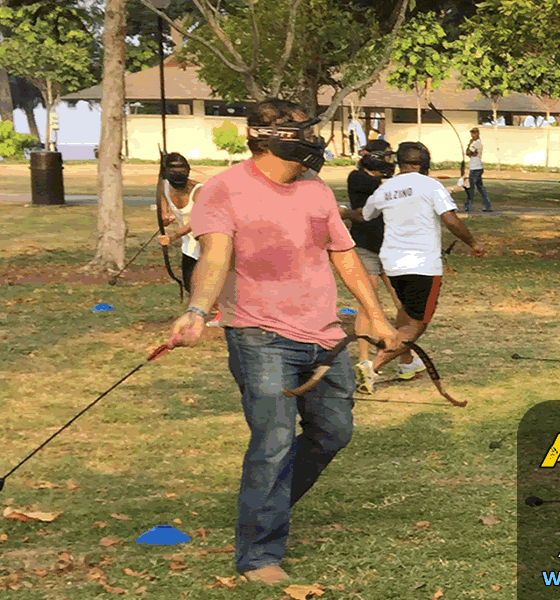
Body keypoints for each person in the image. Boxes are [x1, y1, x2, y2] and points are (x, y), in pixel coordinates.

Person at [167, 98, 402, 584]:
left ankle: (264, 505)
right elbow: (214, 257)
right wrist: (196, 309)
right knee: (273, 441)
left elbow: (344, 255)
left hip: (324, 335)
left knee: (334, 432)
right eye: (306, 131)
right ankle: (258, 554)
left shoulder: (315, 187)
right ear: (272, 136)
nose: (316, 140)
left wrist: (376, 318)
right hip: (260, 335)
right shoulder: (223, 190)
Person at [346, 141, 485, 393]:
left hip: (393, 265)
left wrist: (343, 213)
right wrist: (473, 242)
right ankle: (372, 366)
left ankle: (407, 363)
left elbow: (363, 215)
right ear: (422, 164)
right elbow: (450, 219)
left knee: (406, 314)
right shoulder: (431, 185)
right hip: (423, 265)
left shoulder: (385, 188)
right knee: (417, 325)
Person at [342, 139, 405, 391]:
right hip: (365, 247)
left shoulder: (387, 184)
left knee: (402, 302)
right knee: (367, 302)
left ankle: (405, 356)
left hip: (389, 248)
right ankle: (364, 361)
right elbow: (382, 188)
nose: (389, 163)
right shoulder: (357, 178)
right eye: (385, 158)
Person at [157, 153, 220, 325]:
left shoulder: (199, 190)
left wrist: (174, 236)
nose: (177, 173)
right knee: (189, 283)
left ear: (188, 170)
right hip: (189, 243)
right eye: (173, 169)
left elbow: (197, 221)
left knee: (211, 278)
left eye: (181, 168)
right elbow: (163, 216)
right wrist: (166, 220)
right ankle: (212, 312)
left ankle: (224, 313)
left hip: (208, 239)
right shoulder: (163, 187)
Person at [464, 127, 493, 212]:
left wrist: (469, 145)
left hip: (475, 168)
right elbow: (469, 153)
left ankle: (468, 206)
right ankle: (487, 206)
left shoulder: (476, 143)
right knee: (480, 188)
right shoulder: (477, 143)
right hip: (478, 167)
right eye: (472, 134)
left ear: (477, 134)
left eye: (474, 133)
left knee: (471, 188)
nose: (472, 135)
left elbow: (468, 153)